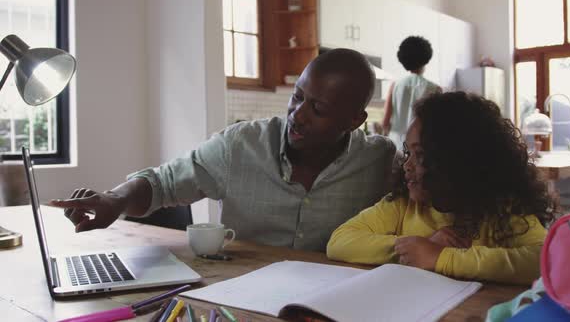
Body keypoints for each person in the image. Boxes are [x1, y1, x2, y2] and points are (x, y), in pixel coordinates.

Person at [50, 48, 395, 252]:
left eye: (318, 109)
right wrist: (117, 198)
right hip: (244, 293)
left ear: (354, 120)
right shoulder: (240, 146)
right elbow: (163, 183)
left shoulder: (379, 162)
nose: (298, 116)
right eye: (297, 96)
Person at [327, 92, 559, 285]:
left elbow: (545, 260)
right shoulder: (402, 204)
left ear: (458, 162)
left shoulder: (504, 209)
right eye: (408, 152)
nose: (406, 165)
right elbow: (339, 242)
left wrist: (441, 257)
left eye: (420, 155)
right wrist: (419, 245)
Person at [381, 36, 441, 148]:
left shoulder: (395, 85)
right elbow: (437, 125)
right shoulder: (435, 89)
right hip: (419, 146)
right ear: (426, 58)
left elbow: (385, 122)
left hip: (395, 145)